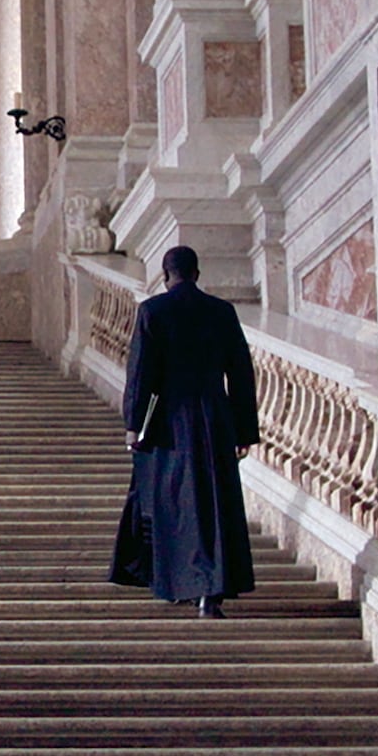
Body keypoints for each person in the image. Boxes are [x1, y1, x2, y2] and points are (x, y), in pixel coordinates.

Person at [108, 246, 261, 618]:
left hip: (169, 421)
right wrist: (244, 429)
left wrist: (133, 424)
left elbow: (141, 373)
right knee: (214, 502)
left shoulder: (153, 311)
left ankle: (184, 584)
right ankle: (212, 591)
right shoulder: (222, 312)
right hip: (215, 416)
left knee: (175, 504)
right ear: (197, 273)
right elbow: (241, 373)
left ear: (165, 275)